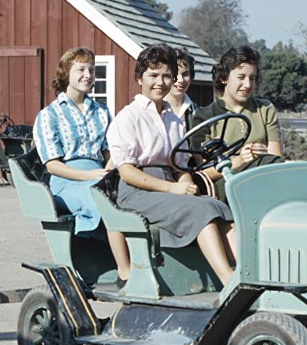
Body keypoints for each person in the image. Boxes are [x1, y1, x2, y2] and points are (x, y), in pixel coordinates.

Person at [107, 44, 238, 286]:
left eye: (167, 75)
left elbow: (179, 165)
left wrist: (187, 183)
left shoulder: (173, 119)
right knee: (201, 210)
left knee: (218, 207)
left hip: (168, 184)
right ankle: (227, 278)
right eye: (153, 75)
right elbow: (126, 172)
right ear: (139, 78)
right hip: (136, 191)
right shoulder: (128, 117)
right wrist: (173, 189)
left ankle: (245, 273)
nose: (161, 82)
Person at [34, 47, 132, 288]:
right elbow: (52, 165)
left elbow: (111, 150)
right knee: (104, 200)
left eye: (91, 70)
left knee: (131, 195)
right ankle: (125, 272)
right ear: (66, 73)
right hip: (67, 181)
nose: (88, 75)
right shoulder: (49, 115)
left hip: (101, 174)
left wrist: (108, 169)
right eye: (81, 69)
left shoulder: (102, 112)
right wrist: (90, 176)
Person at [190, 45, 283, 199]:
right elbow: (205, 173)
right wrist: (239, 160)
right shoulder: (204, 117)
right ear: (224, 78)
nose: (247, 85)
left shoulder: (265, 109)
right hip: (227, 184)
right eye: (241, 77)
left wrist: (260, 154)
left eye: (252, 78)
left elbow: (275, 159)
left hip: (265, 178)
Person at [164, 47, 198, 129]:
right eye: (175, 73)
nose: (180, 80)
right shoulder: (153, 110)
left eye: (185, 74)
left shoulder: (198, 113)